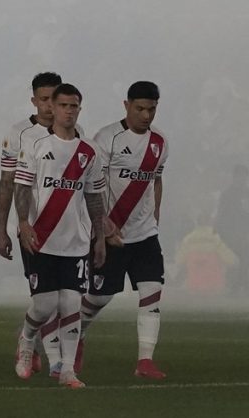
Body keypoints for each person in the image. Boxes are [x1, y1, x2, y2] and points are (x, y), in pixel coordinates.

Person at [13, 83, 106, 389]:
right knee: (43, 306)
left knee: (71, 304)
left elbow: (94, 196)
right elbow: (23, 187)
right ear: (52, 107)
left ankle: (67, 370)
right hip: (42, 238)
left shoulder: (90, 151)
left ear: (80, 108)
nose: (69, 111)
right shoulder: (36, 145)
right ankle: (26, 340)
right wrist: (23, 223)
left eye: (74, 106)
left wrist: (100, 236)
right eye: (64, 105)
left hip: (76, 241)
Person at [80, 81, 170, 379]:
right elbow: (93, 187)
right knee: (99, 298)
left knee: (152, 291)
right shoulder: (107, 139)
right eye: (140, 108)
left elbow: (155, 181)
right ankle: (75, 336)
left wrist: (154, 215)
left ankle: (145, 361)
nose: (146, 115)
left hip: (145, 234)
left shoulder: (160, 142)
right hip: (111, 234)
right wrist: (103, 228)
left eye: (152, 109)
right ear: (126, 105)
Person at [0, 72, 69, 376]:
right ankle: (37, 348)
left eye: (55, 99)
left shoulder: (74, 134)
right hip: (33, 230)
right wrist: (3, 229)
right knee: (45, 299)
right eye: (44, 99)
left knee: (63, 299)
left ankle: (48, 357)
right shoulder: (19, 133)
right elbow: (6, 183)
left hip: (68, 232)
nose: (50, 106)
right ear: (34, 100)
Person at [215, 164, 249, 295]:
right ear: (235, 177)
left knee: (246, 258)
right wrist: (221, 231)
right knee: (246, 257)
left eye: (244, 177)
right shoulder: (228, 194)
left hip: (242, 231)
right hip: (230, 231)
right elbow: (222, 213)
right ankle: (240, 285)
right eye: (240, 176)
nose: (243, 179)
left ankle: (239, 285)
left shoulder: (248, 193)